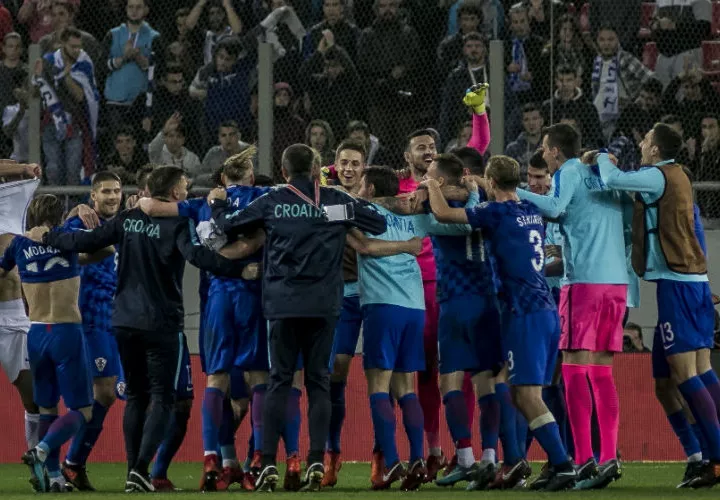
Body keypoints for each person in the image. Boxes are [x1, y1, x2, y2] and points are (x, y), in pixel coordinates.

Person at [43, 166, 259, 492]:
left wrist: (48, 235)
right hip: (162, 324)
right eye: (184, 188)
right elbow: (198, 257)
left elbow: (86, 240)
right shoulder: (177, 223)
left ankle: (135, 470)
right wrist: (239, 270)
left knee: (136, 397)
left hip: (124, 323)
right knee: (163, 397)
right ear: (174, 193)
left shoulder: (128, 218)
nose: (186, 193)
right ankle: (141, 470)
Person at [208, 143, 387, 491]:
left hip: (283, 305)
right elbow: (377, 222)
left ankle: (268, 463)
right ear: (318, 166)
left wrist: (216, 204)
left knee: (279, 381)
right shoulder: (335, 200)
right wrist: (337, 216)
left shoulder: (274, 200)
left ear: (284, 169)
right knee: (318, 382)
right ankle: (316, 460)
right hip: (324, 305)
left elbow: (229, 225)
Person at [424, 155, 578, 492]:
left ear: (492, 183)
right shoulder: (530, 210)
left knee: (525, 394)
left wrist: (432, 185)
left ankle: (563, 463)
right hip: (546, 309)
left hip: (523, 312)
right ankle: (540, 463)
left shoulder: (497, 213)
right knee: (520, 390)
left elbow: (443, 213)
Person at [594, 123, 720, 487]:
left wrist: (602, 156)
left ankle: (715, 457)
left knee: (688, 375)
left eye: (646, 138)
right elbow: (694, 235)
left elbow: (612, 177)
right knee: (668, 382)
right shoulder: (679, 179)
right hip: (687, 285)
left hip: (678, 288)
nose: (642, 141)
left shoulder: (657, 175)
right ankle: (698, 456)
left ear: (655, 150)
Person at [517, 124, 628, 488]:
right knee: (601, 371)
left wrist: (511, 191)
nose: (545, 155)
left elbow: (555, 207)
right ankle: (609, 456)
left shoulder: (569, 171)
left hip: (583, 282)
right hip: (616, 283)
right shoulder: (602, 171)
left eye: (545, 149)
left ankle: (583, 460)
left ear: (553, 151)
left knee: (574, 371)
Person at [2, 194, 112, 492]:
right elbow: (108, 248)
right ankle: (43, 449)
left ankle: (52, 478)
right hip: (67, 332)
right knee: (83, 411)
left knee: (47, 408)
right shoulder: (68, 240)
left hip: (36, 332)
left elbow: (2, 271)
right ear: (59, 217)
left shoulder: (18, 245)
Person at [419, 154, 502, 490]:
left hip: (455, 300)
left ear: (442, 180)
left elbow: (435, 216)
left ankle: (466, 457)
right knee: (486, 382)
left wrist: (427, 189)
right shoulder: (489, 204)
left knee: (450, 382)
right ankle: (491, 457)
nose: (425, 178)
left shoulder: (435, 210)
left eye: (429, 175)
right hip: (488, 299)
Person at [59, 172, 123, 491]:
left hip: (120, 321)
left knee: (114, 395)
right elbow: (60, 243)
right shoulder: (80, 225)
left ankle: (72, 463)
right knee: (103, 393)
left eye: (117, 191)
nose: (113, 196)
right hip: (92, 320)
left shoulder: (126, 222)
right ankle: (67, 462)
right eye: (106, 191)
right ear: (93, 196)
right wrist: (73, 213)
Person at [0, 160, 41, 475]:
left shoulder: (17, 232)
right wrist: (24, 169)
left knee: (34, 397)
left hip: (13, 317)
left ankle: (39, 463)